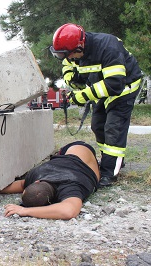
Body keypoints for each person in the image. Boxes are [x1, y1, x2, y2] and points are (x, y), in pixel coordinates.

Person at [49, 23, 143, 187]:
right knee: (97, 125)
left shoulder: (108, 47)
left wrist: (81, 96)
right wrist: (70, 78)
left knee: (113, 128)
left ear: (80, 47)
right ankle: (113, 161)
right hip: (103, 90)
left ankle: (108, 173)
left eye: (68, 55)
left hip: (124, 89)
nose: (66, 59)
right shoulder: (74, 52)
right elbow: (69, 65)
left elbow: (114, 84)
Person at [2, 141, 100, 220]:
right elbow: (21, 185)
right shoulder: (37, 174)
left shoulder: (70, 187)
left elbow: (69, 211)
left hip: (78, 148)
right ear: (37, 182)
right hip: (73, 158)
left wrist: (24, 211)